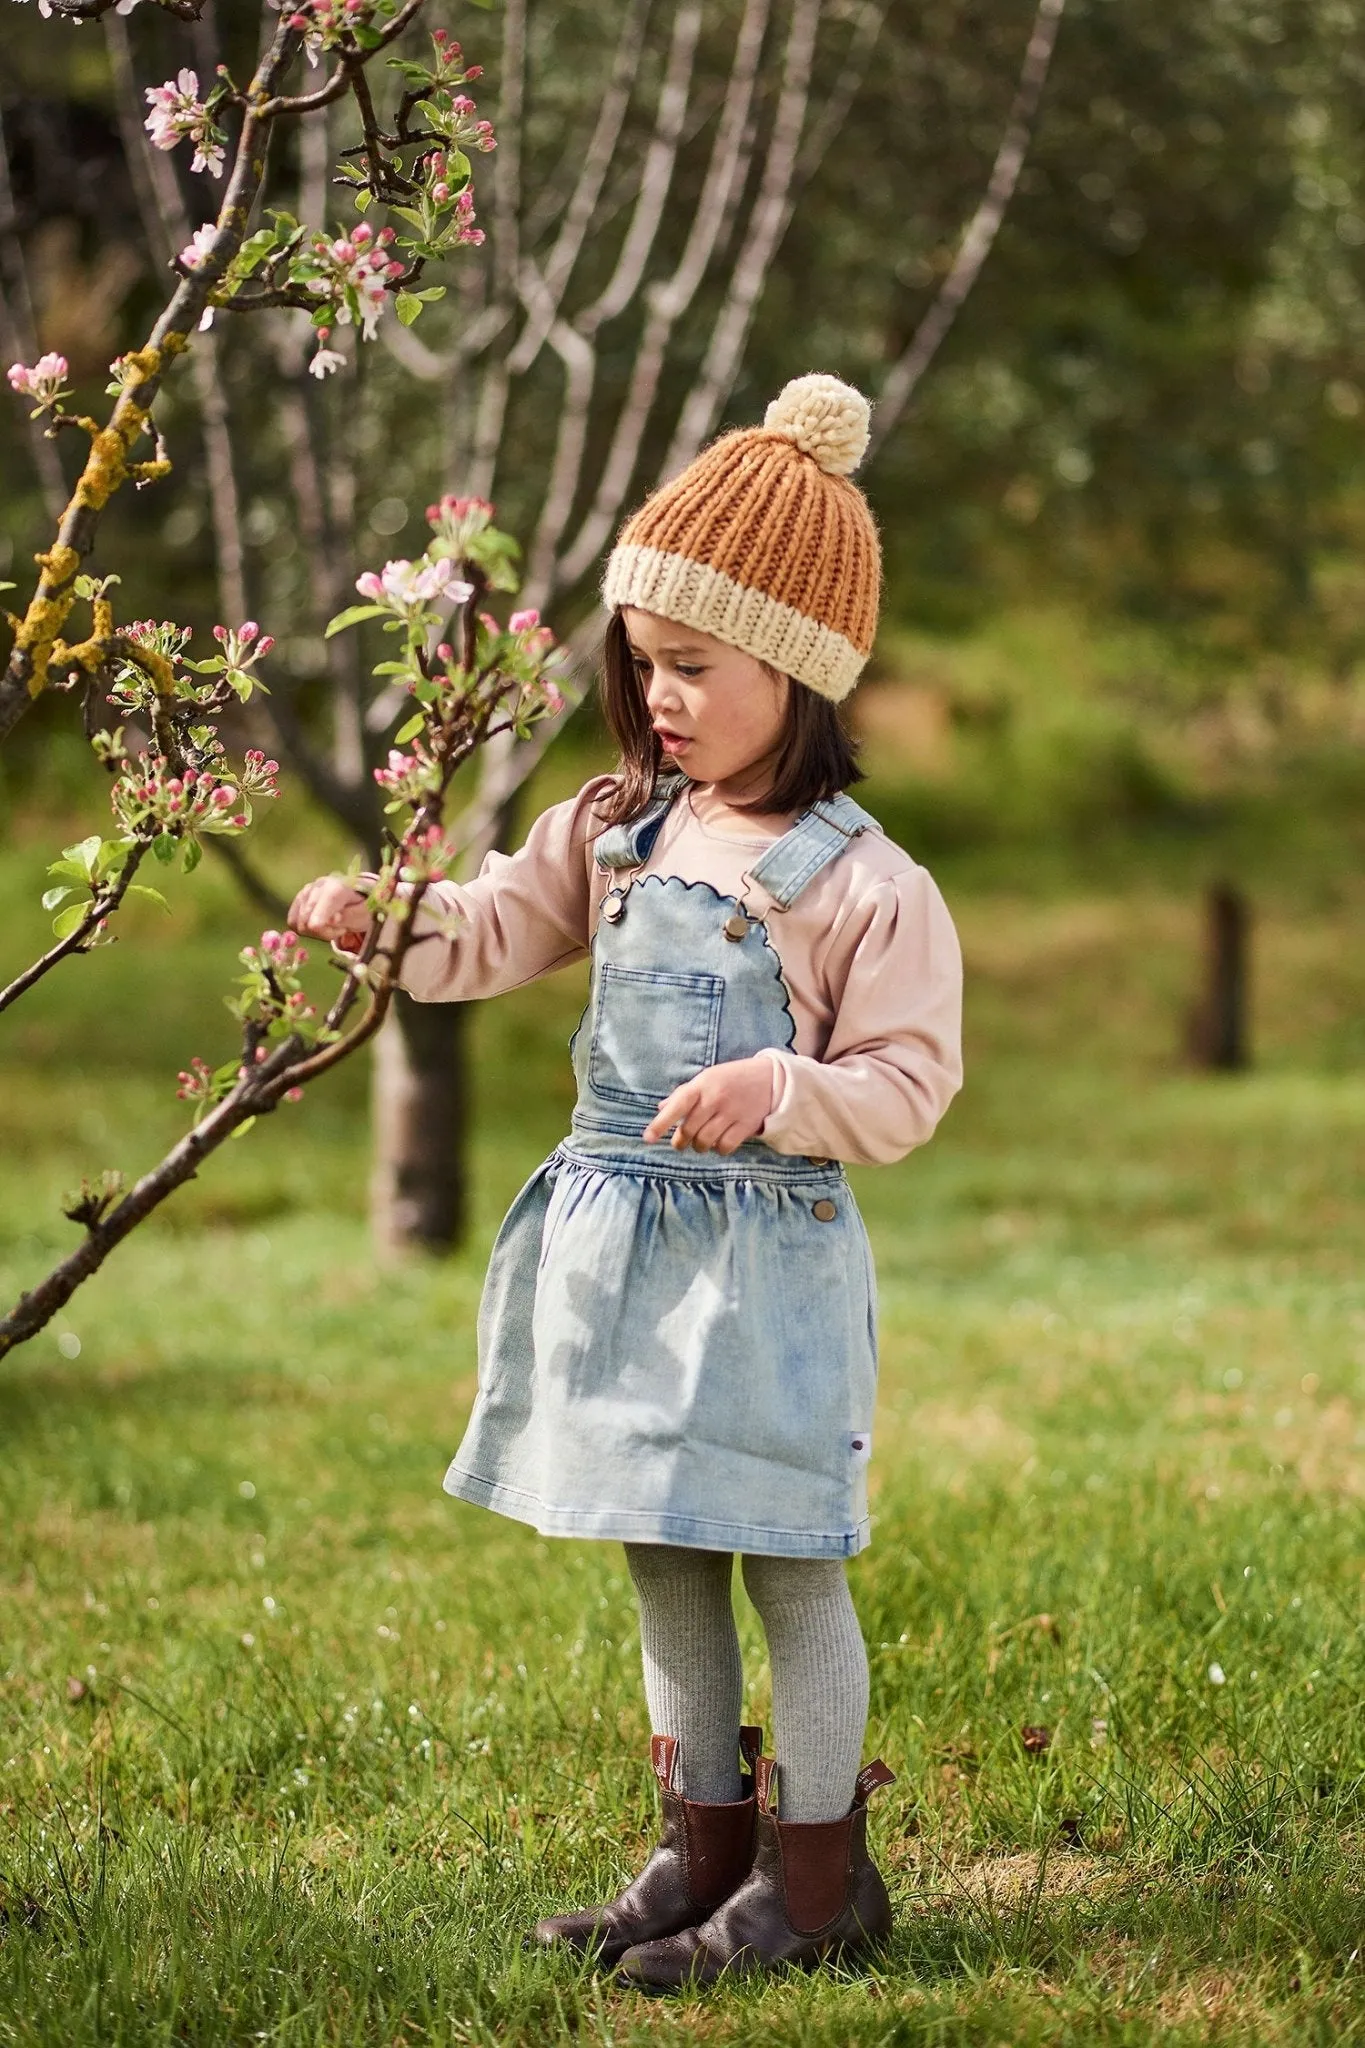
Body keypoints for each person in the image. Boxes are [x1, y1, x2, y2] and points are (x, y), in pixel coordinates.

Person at [289, 373, 963, 1989]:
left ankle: (818, 1888)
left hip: (772, 1272)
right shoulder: (615, 830)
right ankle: (701, 1850)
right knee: (664, 1552)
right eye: (641, 663)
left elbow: (910, 1084)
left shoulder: (860, 882)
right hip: (637, 1272)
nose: (657, 697)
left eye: (694, 667)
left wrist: (780, 1087)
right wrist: (385, 923)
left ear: (793, 672)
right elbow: (490, 934)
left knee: (788, 1562)